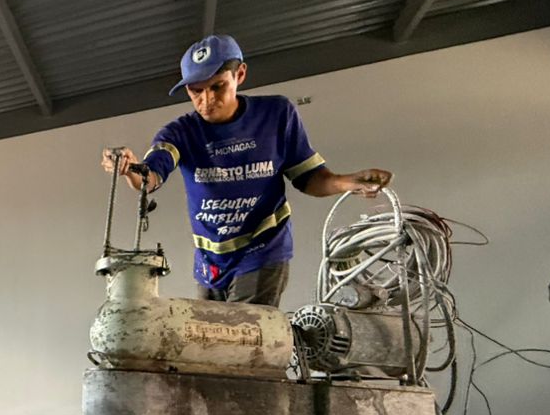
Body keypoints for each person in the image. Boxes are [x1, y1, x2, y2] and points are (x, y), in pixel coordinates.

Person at [102, 34, 392, 307]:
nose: (206, 100)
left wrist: (346, 182)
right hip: (210, 262)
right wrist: (128, 168)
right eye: (196, 91)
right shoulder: (181, 132)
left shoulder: (275, 115)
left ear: (239, 75)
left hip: (262, 251)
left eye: (217, 87)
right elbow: (150, 177)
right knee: (206, 338)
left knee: (242, 336)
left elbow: (308, 178)